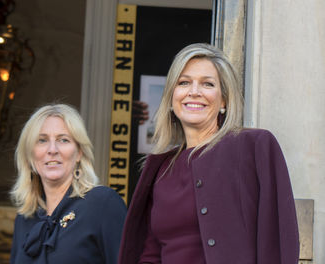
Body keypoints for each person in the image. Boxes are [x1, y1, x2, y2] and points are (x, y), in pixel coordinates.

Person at [118, 43, 299, 264]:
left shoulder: (254, 147)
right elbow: (151, 254)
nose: (194, 92)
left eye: (207, 84)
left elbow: (277, 242)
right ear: (171, 97)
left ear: (223, 99)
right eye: (184, 82)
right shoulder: (160, 170)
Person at [10, 104, 126, 264]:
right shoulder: (25, 217)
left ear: (79, 152)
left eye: (63, 140)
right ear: (30, 155)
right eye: (42, 140)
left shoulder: (103, 204)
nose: (52, 149)